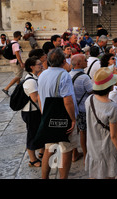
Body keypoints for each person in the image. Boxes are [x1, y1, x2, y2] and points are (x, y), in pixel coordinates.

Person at [38, 48, 78, 179]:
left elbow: (39, 96)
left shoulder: (42, 74)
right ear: (63, 61)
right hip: (63, 118)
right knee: (66, 150)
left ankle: (44, 177)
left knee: (49, 149)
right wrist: (73, 119)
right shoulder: (64, 75)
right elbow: (67, 100)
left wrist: (44, 113)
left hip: (49, 117)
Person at [85, 67, 117, 178]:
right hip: (107, 150)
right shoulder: (112, 107)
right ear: (110, 86)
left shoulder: (89, 100)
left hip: (93, 147)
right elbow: (114, 136)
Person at [21, 57, 45, 168]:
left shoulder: (34, 77)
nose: (41, 65)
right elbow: (35, 98)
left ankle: (41, 152)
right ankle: (32, 159)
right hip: (31, 112)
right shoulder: (30, 81)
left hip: (34, 111)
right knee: (32, 134)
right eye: (38, 64)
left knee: (38, 132)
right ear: (32, 67)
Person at [70, 54, 93, 162]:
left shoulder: (68, 75)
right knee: (84, 132)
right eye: (85, 60)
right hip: (83, 109)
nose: (87, 61)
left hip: (74, 109)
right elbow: (91, 91)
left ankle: (76, 154)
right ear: (79, 63)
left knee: (77, 131)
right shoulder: (84, 77)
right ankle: (86, 155)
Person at [2, 31, 24, 97]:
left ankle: (19, 89)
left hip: (12, 61)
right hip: (16, 62)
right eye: (20, 36)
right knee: (18, 76)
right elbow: (17, 54)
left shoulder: (11, 42)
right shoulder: (16, 44)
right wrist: (21, 63)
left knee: (17, 76)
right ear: (19, 36)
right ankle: (6, 88)